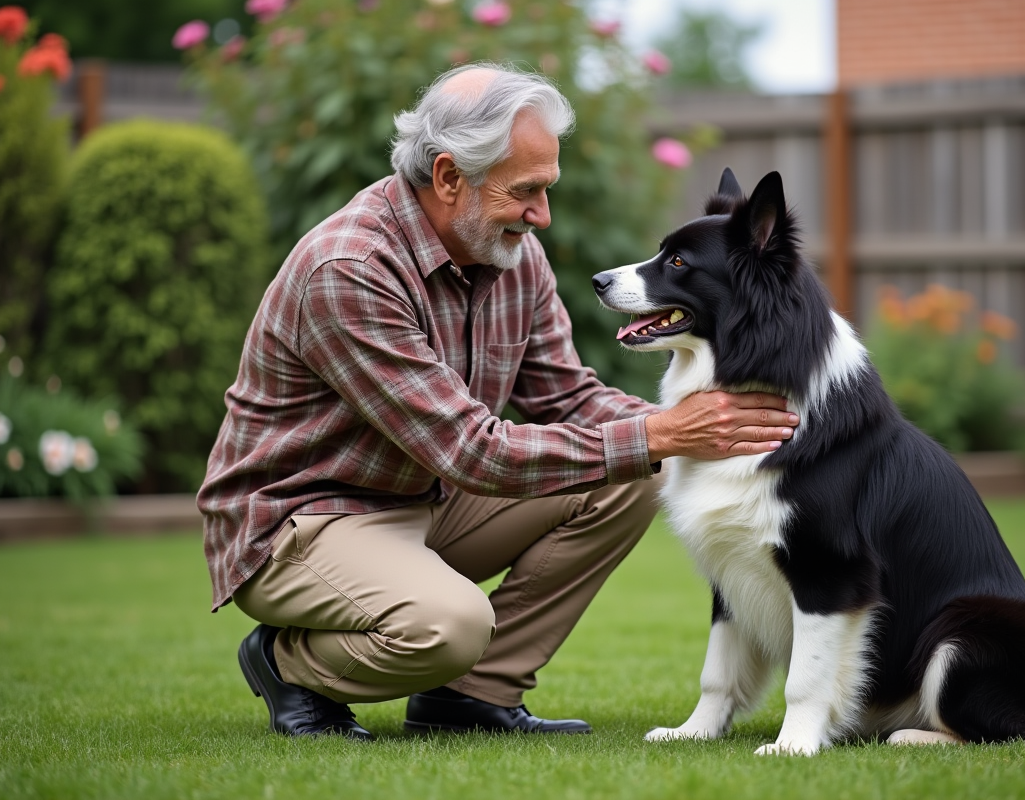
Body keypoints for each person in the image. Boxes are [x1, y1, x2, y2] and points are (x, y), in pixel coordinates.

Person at [197, 63, 799, 741]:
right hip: (303, 521)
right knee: (450, 625)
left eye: (547, 188)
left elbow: (568, 397)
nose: (542, 215)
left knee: (635, 472)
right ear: (450, 177)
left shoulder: (513, 252)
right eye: (526, 192)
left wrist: (716, 427)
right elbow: (468, 449)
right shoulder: (350, 270)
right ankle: (287, 663)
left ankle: (471, 697)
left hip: (423, 496)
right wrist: (661, 432)